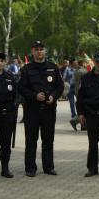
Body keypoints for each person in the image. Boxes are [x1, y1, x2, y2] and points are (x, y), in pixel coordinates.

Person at [18, 41, 64, 177]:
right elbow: (21, 88)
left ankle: (48, 167)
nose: (39, 52)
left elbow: (60, 86)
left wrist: (54, 97)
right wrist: (34, 96)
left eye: (41, 49)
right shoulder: (26, 69)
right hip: (32, 110)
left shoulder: (53, 67)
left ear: (45, 51)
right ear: (32, 52)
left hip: (49, 110)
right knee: (31, 140)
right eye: (36, 49)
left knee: (48, 140)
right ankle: (30, 168)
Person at [63, 58, 78, 130]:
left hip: (76, 87)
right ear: (71, 64)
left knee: (78, 101)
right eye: (75, 63)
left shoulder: (76, 70)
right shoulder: (67, 69)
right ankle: (73, 115)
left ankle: (79, 113)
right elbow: (64, 77)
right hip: (69, 87)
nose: (76, 64)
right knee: (71, 102)